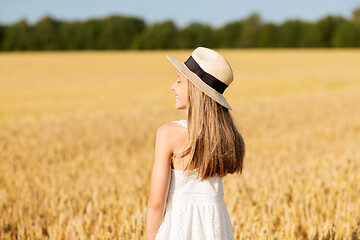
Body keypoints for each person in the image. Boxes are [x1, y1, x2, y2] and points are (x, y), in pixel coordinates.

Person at [146, 47, 245, 240]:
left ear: (194, 88)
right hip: (216, 229)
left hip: (177, 228)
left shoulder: (168, 134)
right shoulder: (226, 136)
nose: (172, 87)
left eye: (179, 81)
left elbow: (156, 203)